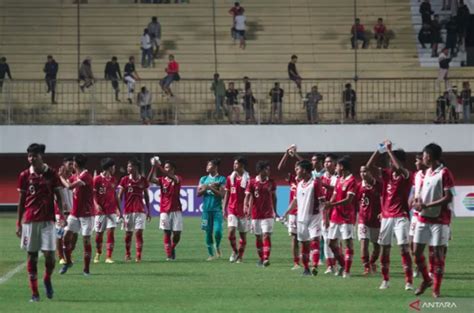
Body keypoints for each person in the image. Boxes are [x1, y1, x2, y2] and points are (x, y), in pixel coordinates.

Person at [16, 143, 64, 302]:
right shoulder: (24, 175)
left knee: (50, 257)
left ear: (40, 156)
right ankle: (35, 293)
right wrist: (18, 223)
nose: (31, 159)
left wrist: (62, 215)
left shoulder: (51, 173)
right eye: (29, 156)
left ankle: (47, 278)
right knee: (32, 256)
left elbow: (59, 195)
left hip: (48, 221)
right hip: (30, 221)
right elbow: (22, 200)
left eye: (34, 156)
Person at [366, 140, 414, 291]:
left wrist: (389, 151)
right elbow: (367, 167)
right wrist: (379, 149)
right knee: (385, 249)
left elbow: (399, 168)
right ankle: (385, 280)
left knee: (403, 248)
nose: (389, 163)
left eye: (391, 160)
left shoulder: (407, 174)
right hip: (386, 217)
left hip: (401, 216)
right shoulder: (386, 174)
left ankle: (409, 282)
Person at [413, 143, 455, 298]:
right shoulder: (424, 174)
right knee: (416, 253)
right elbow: (420, 195)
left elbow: (449, 197)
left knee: (438, 255)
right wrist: (416, 202)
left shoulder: (444, 173)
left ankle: (436, 289)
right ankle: (426, 280)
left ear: (429, 156)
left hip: (439, 220)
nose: (422, 158)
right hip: (423, 218)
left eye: (423, 155)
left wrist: (427, 205)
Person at [288, 160, 326, 276]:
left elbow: (322, 201)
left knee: (314, 241)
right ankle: (306, 269)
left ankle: (314, 265)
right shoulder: (299, 184)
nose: (296, 171)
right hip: (301, 218)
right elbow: (295, 201)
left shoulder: (315, 183)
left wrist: (325, 216)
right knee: (304, 244)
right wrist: (286, 212)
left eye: (298, 169)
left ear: (304, 170)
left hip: (314, 217)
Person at [59, 154, 94, 276]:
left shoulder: (86, 176)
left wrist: (60, 177)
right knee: (66, 238)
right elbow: (65, 183)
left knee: (86, 240)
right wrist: (61, 177)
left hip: (87, 214)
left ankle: (86, 270)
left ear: (76, 164)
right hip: (75, 213)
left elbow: (69, 186)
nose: (72, 165)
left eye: (73, 163)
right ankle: (68, 262)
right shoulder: (76, 175)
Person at [324, 156, 357, 278]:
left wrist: (332, 204)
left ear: (342, 167)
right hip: (335, 216)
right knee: (331, 243)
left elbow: (349, 200)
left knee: (348, 242)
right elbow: (334, 195)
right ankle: (343, 265)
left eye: (337, 166)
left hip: (347, 218)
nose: (335, 168)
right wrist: (329, 207)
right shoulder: (338, 180)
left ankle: (347, 271)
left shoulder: (352, 181)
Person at [148, 158, 183, 261]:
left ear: (173, 169)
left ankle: (172, 248)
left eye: (167, 167)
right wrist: (153, 167)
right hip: (164, 210)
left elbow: (167, 174)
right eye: (165, 167)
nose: (165, 169)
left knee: (177, 234)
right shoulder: (162, 180)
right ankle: (169, 255)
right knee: (167, 232)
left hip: (176, 209)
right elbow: (150, 179)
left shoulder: (177, 178)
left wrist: (158, 165)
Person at [118, 158, 151, 263]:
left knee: (139, 233)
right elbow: (119, 196)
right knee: (128, 234)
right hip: (128, 211)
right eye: (128, 166)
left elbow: (146, 195)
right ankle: (127, 253)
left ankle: (138, 256)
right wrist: (119, 211)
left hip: (140, 211)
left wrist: (149, 210)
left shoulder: (143, 180)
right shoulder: (124, 180)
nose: (128, 168)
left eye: (130, 166)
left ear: (136, 167)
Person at [245, 160, 277, 267]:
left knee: (266, 235)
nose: (269, 171)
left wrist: (275, 211)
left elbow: (274, 197)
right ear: (261, 170)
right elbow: (248, 196)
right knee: (258, 237)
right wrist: (246, 207)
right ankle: (261, 258)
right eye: (267, 169)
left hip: (268, 214)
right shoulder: (252, 182)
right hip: (255, 214)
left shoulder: (271, 182)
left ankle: (266, 258)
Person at [279, 145, 304, 269]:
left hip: (305, 212)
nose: (296, 169)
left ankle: (308, 258)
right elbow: (281, 168)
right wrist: (286, 154)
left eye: (298, 167)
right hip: (294, 213)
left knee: (305, 238)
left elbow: (306, 164)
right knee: (294, 237)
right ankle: (296, 262)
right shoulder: (292, 180)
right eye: (295, 167)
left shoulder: (306, 180)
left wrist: (296, 155)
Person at [93, 158, 121, 264]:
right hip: (100, 212)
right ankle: (98, 252)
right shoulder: (97, 179)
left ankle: (109, 256)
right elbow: (93, 195)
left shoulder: (114, 180)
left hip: (111, 211)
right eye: (114, 167)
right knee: (99, 234)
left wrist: (119, 209)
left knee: (111, 233)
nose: (115, 169)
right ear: (109, 168)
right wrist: (96, 205)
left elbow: (115, 196)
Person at [223, 156, 251, 263]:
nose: (234, 165)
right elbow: (227, 193)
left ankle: (240, 256)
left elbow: (250, 195)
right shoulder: (230, 178)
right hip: (232, 209)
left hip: (243, 211)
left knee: (243, 236)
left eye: (236, 164)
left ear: (242, 165)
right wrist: (224, 208)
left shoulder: (248, 179)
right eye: (234, 163)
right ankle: (235, 251)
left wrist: (248, 209)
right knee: (231, 233)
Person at [198, 159, 226, 260]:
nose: (207, 167)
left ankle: (217, 245)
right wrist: (204, 189)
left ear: (215, 167)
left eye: (209, 165)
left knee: (218, 231)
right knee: (208, 232)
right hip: (206, 210)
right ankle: (211, 254)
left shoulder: (221, 179)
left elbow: (222, 195)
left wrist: (210, 188)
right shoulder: (203, 179)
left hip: (217, 210)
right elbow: (198, 194)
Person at [356, 165, 382, 275]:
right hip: (363, 219)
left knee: (377, 245)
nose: (363, 174)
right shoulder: (359, 186)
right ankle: (366, 267)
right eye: (361, 172)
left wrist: (382, 212)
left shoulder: (380, 185)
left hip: (376, 220)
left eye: (365, 171)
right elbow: (355, 201)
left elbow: (385, 199)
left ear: (371, 172)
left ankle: (372, 262)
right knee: (364, 242)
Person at [320, 154, 338, 274]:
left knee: (335, 240)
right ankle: (330, 266)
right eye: (326, 162)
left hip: (335, 212)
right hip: (324, 211)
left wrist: (320, 183)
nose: (327, 164)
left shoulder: (337, 177)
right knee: (326, 239)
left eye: (330, 162)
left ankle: (337, 264)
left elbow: (334, 189)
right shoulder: (322, 177)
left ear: (335, 164)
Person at [409, 154, 426, 278]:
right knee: (411, 243)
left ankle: (427, 268)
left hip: (428, 213)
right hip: (415, 214)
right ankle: (418, 266)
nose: (416, 163)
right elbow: (414, 191)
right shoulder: (416, 175)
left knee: (432, 245)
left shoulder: (434, 175)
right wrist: (410, 201)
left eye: (417, 160)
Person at [55, 157, 74, 265]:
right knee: (60, 234)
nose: (71, 166)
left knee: (71, 235)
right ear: (64, 165)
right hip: (60, 212)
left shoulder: (73, 178)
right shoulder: (58, 178)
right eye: (69, 164)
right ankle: (61, 256)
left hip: (72, 212)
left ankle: (68, 254)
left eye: (73, 164)